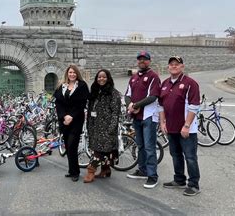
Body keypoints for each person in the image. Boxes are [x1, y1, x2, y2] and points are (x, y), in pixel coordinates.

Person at [159, 56, 201, 196]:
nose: (174, 66)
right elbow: (160, 106)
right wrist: (162, 122)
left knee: (190, 156)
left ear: (182, 66)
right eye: (171, 64)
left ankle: (194, 184)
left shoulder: (190, 83)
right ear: (168, 67)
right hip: (171, 127)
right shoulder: (164, 83)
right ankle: (179, 179)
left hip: (186, 128)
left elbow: (194, 106)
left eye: (177, 64)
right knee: (175, 154)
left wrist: (187, 125)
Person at [124, 50, 161, 189]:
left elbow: (153, 96)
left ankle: (152, 176)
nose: (142, 61)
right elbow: (127, 94)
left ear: (149, 61)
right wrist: (130, 105)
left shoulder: (153, 76)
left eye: (145, 59)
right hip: (136, 117)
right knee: (140, 146)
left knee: (150, 147)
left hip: (148, 117)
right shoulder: (134, 77)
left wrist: (137, 105)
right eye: (140, 59)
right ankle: (143, 170)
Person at [53, 64, 90, 182]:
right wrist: (64, 116)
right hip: (64, 120)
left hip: (76, 120)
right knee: (68, 146)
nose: (72, 74)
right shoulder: (61, 86)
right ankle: (71, 170)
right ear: (67, 74)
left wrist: (71, 116)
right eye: (70, 72)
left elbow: (82, 104)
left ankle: (75, 172)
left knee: (72, 144)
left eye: (74, 72)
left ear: (77, 74)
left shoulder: (82, 86)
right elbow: (58, 104)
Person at [84, 69, 121, 183]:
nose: (101, 79)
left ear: (108, 78)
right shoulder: (94, 92)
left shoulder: (113, 93)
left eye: (104, 77)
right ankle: (106, 169)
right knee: (104, 150)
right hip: (95, 126)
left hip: (107, 127)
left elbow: (115, 113)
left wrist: (111, 128)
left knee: (98, 151)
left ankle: (91, 171)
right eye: (99, 77)